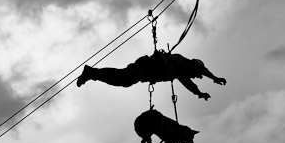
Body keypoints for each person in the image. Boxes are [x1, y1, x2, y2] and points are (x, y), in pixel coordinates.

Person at [76, 50, 226, 100]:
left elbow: (189, 83)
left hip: (143, 71)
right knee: (123, 78)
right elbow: (199, 73)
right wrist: (214, 78)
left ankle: (92, 73)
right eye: (196, 75)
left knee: (123, 79)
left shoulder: (181, 71)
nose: (195, 77)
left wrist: (200, 92)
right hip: (143, 68)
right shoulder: (182, 63)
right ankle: (91, 73)